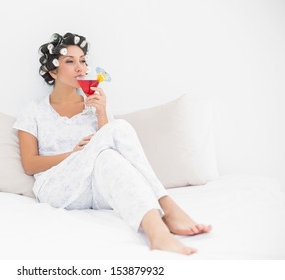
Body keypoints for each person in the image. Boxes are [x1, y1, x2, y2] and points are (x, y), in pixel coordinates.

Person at [13, 32, 212, 255]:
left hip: (96, 191)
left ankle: (158, 234)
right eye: (70, 61)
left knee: (109, 154)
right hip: (57, 188)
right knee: (119, 128)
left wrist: (100, 114)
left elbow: (115, 152)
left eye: (83, 61)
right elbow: (30, 164)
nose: (80, 67)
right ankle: (165, 202)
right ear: (53, 71)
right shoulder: (34, 110)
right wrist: (74, 153)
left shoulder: (96, 104)